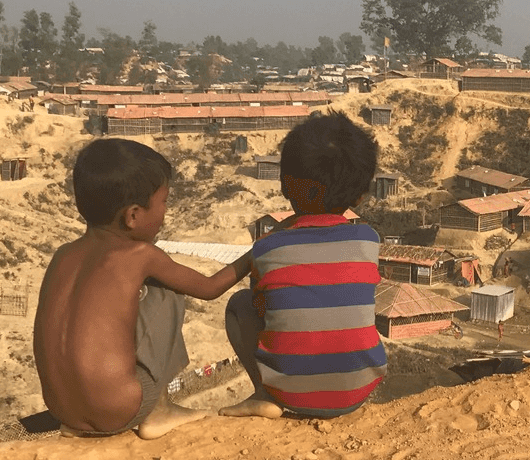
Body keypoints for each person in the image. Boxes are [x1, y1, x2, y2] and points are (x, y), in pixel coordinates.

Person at [34, 138, 251, 439]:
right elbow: (210, 287)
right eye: (163, 203)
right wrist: (256, 253)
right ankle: (160, 409)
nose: (165, 213)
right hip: (120, 411)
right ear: (133, 215)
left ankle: (81, 418)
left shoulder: (63, 256)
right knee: (168, 292)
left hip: (62, 410)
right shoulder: (140, 257)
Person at [223, 111, 387, 420]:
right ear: (363, 195)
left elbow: (261, 303)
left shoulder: (268, 246)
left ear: (286, 186)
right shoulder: (369, 240)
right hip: (358, 391)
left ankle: (263, 393)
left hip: (291, 394)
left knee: (240, 304)